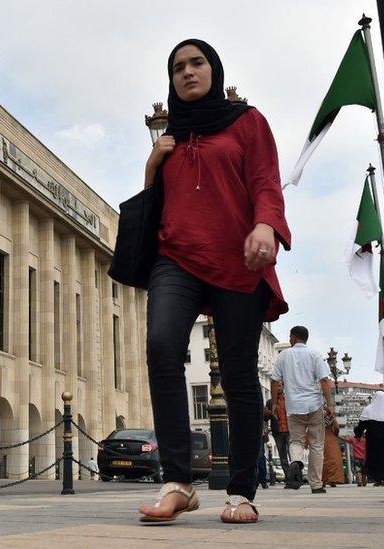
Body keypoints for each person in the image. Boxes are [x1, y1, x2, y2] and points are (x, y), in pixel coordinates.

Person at [137, 38, 291, 525]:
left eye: (197, 63)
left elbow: (265, 179)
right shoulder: (171, 137)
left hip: (237, 258)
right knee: (162, 347)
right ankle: (178, 482)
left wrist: (265, 224)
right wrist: (152, 164)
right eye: (178, 67)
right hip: (176, 255)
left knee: (242, 374)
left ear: (214, 69)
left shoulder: (246, 121)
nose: (188, 72)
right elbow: (156, 202)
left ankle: (242, 490)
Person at [271, 326, 334, 493]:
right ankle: (316, 484)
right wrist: (330, 404)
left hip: (293, 407)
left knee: (296, 441)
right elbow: (325, 381)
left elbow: (274, 380)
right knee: (316, 444)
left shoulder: (284, 356)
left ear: (293, 338)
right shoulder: (315, 355)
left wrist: (275, 404)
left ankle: (297, 461)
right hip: (314, 405)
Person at [266, 393, 291, 481]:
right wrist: (266, 413)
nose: (279, 387)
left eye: (280, 385)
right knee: (283, 457)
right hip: (277, 432)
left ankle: (295, 477)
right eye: (278, 385)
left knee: (293, 454)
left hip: (289, 431)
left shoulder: (289, 399)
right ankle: (288, 479)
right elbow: (266, 418)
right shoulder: (270, 402)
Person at [322, 415, 344, 487]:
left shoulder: (315, 416)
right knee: (335, 459)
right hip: (331, 438)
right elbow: (337, 428)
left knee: (323, 460)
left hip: (320, 437)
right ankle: (333, 480)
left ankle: (323, 480)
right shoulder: (330, 417)